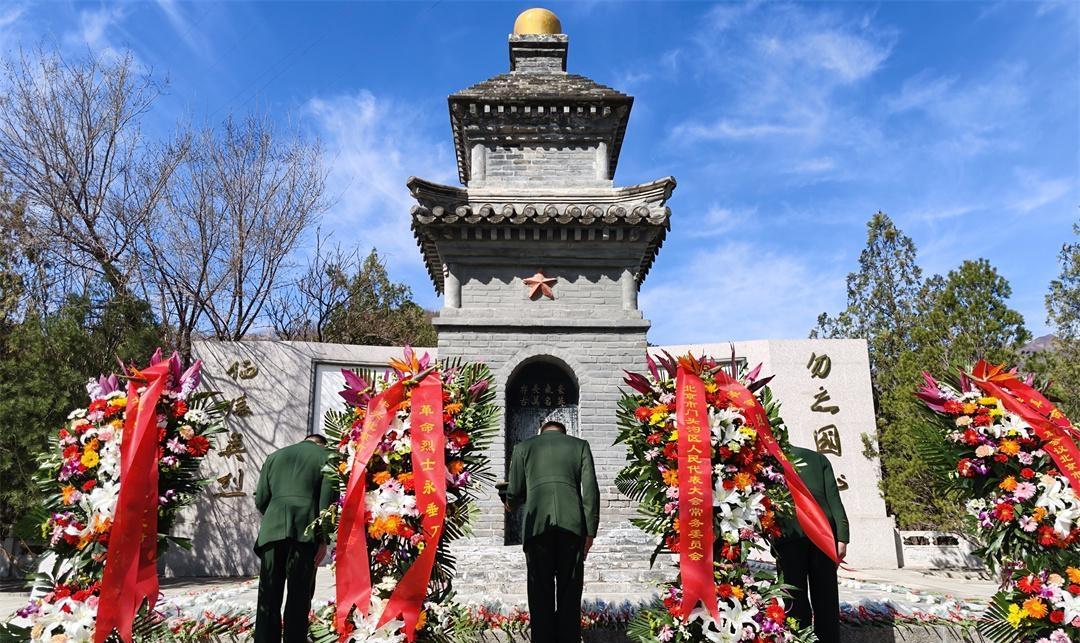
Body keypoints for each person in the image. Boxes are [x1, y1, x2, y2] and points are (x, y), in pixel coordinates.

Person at [505, 420, 600, 643]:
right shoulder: (580, 446)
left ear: (541, 432)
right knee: (570, 591)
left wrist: (510, 503)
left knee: (540, 593)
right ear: (564, 433)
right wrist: (590, 532)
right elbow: (591, 491)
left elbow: (515, 490)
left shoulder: (524, 448)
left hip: (538, 526)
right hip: (572, 526)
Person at [253, 433, 336, 643]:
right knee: (299, 595)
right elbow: (327, 503)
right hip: (305, 531)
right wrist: (324, 539)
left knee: (268, 595)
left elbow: (261, 498)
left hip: (272, 530)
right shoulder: (326, 456)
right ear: (322, 444)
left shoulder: (275, 456)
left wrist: (275, 516)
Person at [773, 445, 850, 643]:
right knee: (826, 598)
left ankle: (800, 639)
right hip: (824, 534)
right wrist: (842, 536)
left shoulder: (769, 459)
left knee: (794, 597)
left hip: (788, 534)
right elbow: (834, 500)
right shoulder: (817, 458)